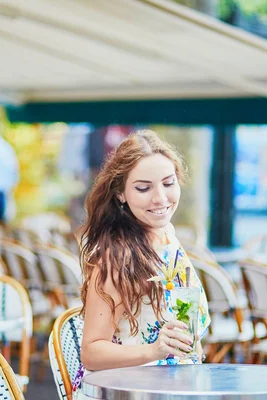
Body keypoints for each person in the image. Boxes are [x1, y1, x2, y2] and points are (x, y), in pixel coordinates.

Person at [74, 130, 210, 398]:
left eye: (168, 183)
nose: (160, 198)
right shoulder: (117, 257)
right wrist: (155, 350)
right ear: (120, 194)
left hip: (172, 388)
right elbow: (91, 352)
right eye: (143, 188)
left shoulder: (167, 235)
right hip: (124, 392)